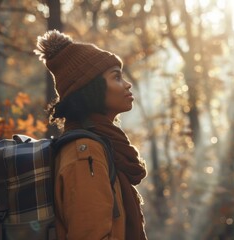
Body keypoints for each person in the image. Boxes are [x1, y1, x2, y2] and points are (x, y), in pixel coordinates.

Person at [35, 30, 148, 240]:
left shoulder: (101, 145)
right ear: (92, 89)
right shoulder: (85, 152)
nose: (127, 84)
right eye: (116, 77)